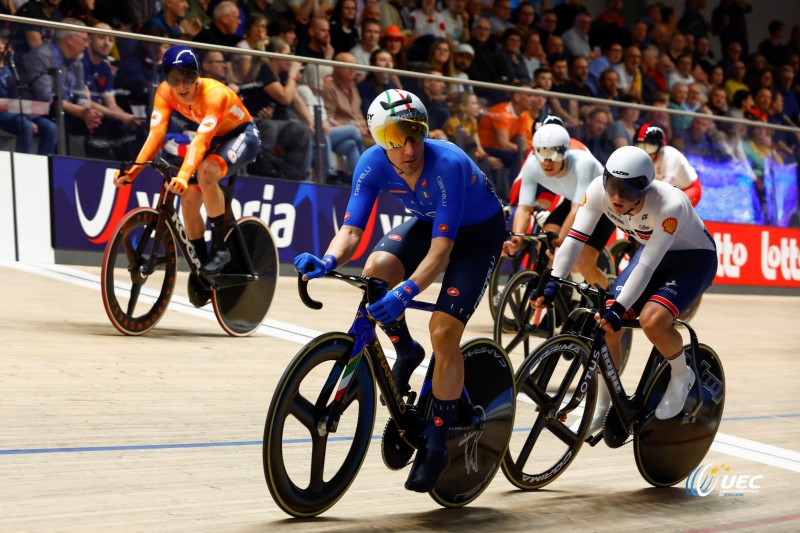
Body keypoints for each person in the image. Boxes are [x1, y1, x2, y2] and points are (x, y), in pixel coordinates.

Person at [293, 89, 505, 493]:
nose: (408, 148)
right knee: (376, 270)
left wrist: (406, 293)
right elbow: (352, 230)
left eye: (414, 134)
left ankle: (437, 443)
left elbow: (442, 252)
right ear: (376, 138)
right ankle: (406, 349)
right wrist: (328, 261)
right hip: (430, 222)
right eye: (394, 138)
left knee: (444, 332)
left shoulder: (447, 165)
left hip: (478, 235)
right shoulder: (371, 163)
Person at [532, 145, 717, 431]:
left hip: (692, 261)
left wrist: (619, 309)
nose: (617, 197)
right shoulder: (596, 190)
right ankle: (605, 406)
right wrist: (553, 280)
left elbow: (646, 267)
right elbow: (575, 239)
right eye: (613, 186)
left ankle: (682, 374)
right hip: (652, 254)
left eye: (629, 191)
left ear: (645, 188)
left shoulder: (670, 204)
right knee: (606, 323)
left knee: (652, 321)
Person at [112, 45, 261, 307]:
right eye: (174, 80)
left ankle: (220, 249)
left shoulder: (214, 94)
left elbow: (201, 141)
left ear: (198, 76)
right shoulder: (164, 93)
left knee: (206, 173)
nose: (182, 87)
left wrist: (182, 174)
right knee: (190, 202)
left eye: (189, 78)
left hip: (241, 136)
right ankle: (202, 267)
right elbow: (155, 136)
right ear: (166, 79)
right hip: (215, 139)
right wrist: (132, 171)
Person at [504, 122, 614, 295]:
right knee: (544, 242)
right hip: (573, 201)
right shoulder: (532, 165)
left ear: (566, 151)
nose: (547, 162)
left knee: (583, 261)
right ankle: (560, 296)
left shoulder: (584, 163)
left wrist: (562, 242)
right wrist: (516, 240)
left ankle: (610, 303)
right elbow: (524, 208)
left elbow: (578, 210)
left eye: (555, 154)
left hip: (602, 206)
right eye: (541, 154)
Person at [635, 123, 701, 207]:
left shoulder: (670, 155)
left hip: (689, 188)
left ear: (660, 147)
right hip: (671, 190)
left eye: (649, 147)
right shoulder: (642, 158)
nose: (645, 152)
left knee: (673, 209)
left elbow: (665, 187)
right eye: (640, 147)